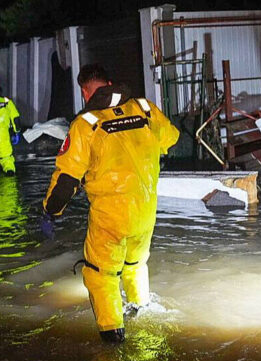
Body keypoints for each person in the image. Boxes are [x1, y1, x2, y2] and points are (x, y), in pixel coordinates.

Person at [41, 64, 179, 343]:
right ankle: (141, 312)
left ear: (84, 92)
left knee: (100, 276)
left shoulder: (85, 124)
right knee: (135, 264)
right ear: (110, 83)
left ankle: (113, 339)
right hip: (145, 214)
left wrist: (50, 211)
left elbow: (67, 180)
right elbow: (171, 139)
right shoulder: (145, 109)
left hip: (110, 219)